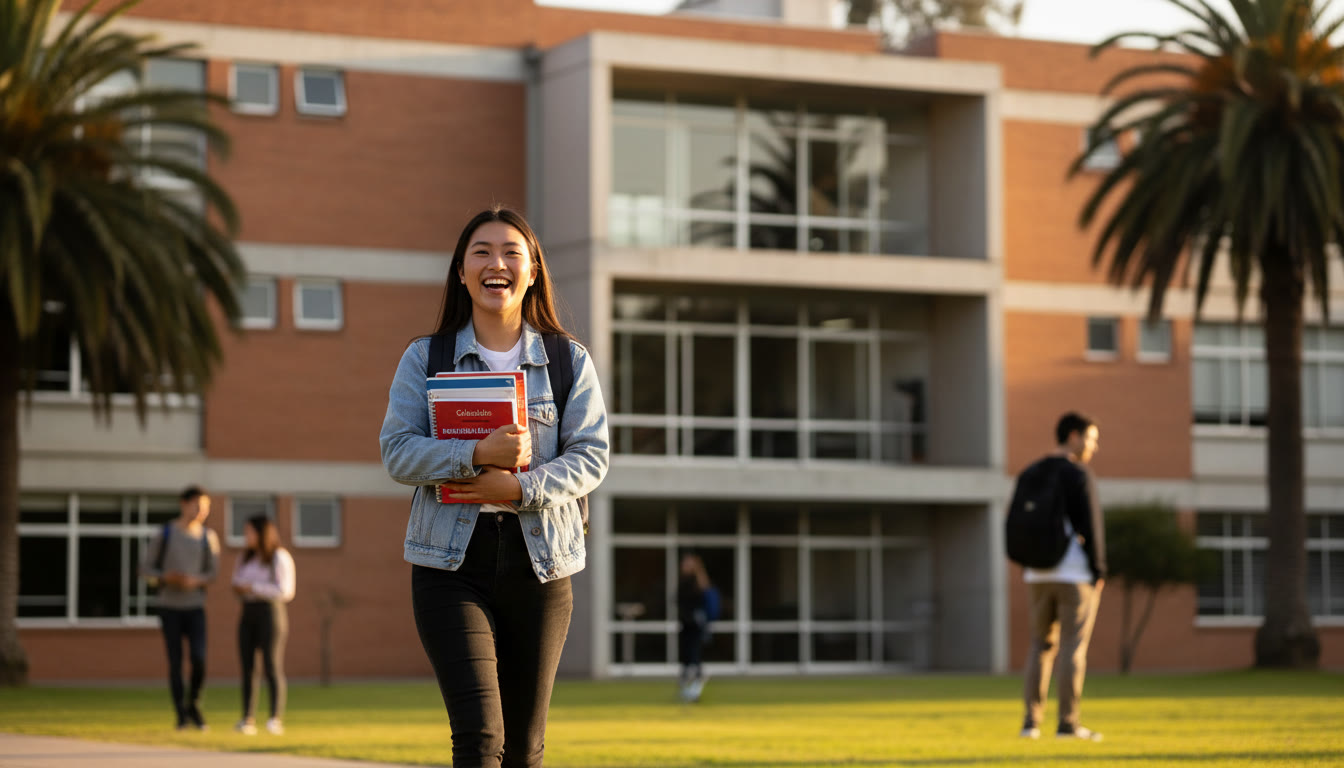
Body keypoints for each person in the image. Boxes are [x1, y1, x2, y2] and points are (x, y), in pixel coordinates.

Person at [379, 205, 609, 768]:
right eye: (481, 252)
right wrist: (476, 454)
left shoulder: (566, 360)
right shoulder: (425, 358)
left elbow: (592, 455)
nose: (496, 263)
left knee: (524, 750)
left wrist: (521, 489)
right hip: (448, 566)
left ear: (532, 270)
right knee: (480, 738)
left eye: (511, 252)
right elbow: (397, 452)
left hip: (541, 566)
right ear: (461, 270)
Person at [1018, 412, 1107, 742]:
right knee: (1072, 647)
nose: (1093, 447)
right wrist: (1099, 570)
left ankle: (1031, 724)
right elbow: (1092, 526)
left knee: (1039, 647)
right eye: (1091, 439)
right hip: (1072, 574)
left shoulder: (1030, 472)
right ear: (1074, 436)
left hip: (1036, 574)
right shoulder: (1077, 474)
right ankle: (1068, 724)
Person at [140, 485, 220, 731]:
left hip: (195, 606)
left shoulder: (208, 538)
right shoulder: (164, 534)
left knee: (199, 658)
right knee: (175, 662)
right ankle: (181, 715)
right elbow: (145, 571)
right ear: (183, 504)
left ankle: (194, 704)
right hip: (169, 607)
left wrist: (194, 581)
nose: (202, 511)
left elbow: (212, 574)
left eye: (206, 507)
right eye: (198, 505)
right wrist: (167, 578)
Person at [231, 515, 296, 736]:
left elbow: (286, 590)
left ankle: (274, 719)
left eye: (249, 531)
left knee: (271, 665)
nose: (245, 537)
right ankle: (247, 719)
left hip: (270, 613)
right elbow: (236, 582)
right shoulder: (244, 557)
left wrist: (254, 587)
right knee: (248, 667)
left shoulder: (279, 556)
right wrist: (243, 588)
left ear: (262, 533)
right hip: (248, 613)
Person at [677, 553, 712, 703]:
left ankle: (696, 689)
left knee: (694, 657)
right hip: (686, 625)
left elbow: (702, 603)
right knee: (685, 659)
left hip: (695, 626)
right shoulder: (682, 581)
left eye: (688, 563)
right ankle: (686, 690)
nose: (685, 566)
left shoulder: (698, 583)